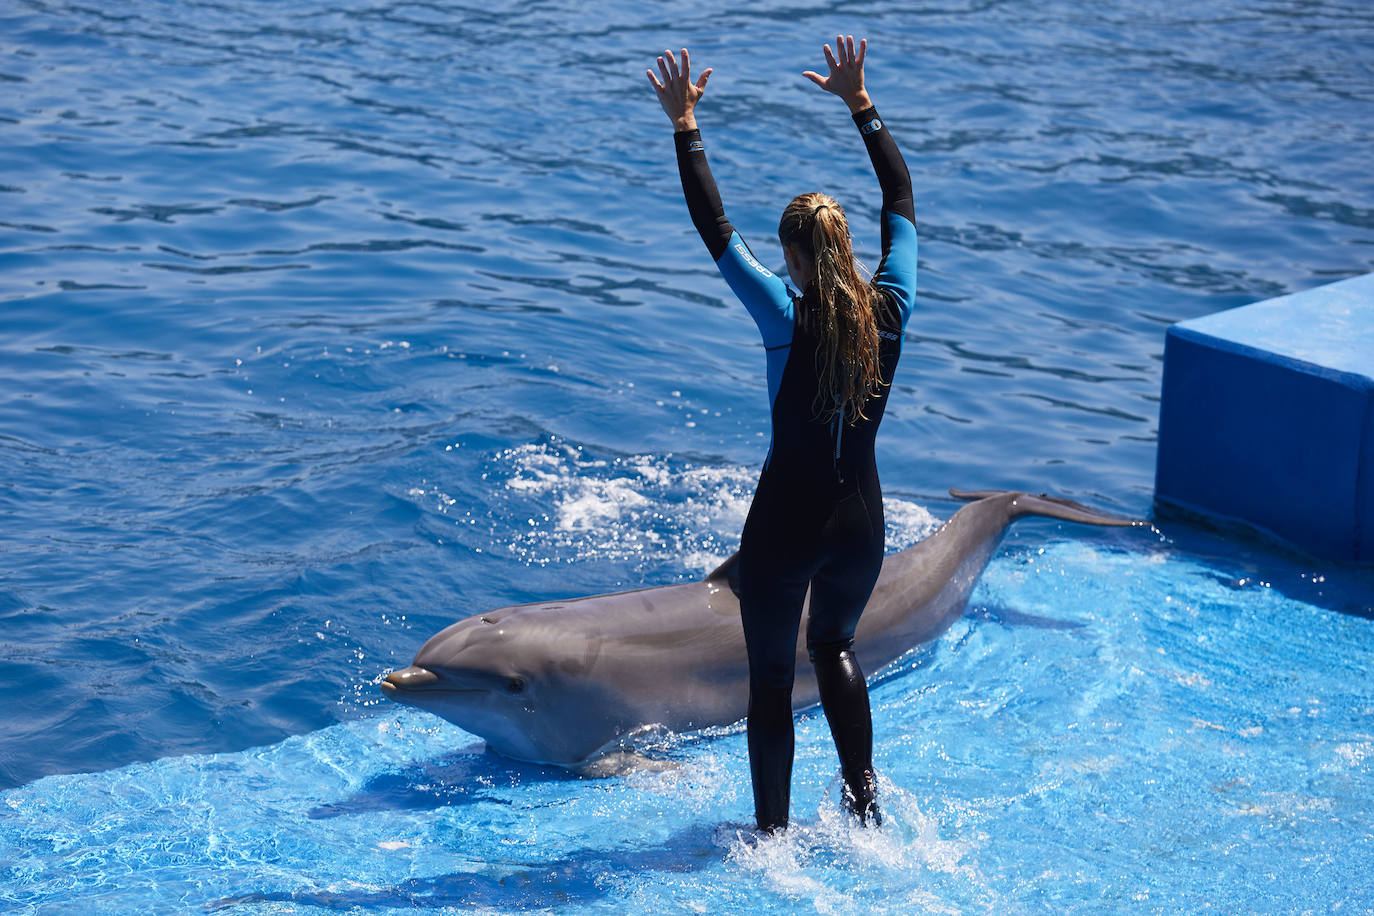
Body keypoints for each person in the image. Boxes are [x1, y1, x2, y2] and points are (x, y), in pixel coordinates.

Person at [647, 36, 916, 833]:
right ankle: (865, 808)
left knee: (771, 682)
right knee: (835, 646)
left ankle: (773, 840)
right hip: (862, 523)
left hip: (785, 522)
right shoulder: (894, 302)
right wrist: (861, 104)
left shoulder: (781, 313)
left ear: (797, 256)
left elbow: (715, 229)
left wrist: (686, 124)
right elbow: (900, 198)